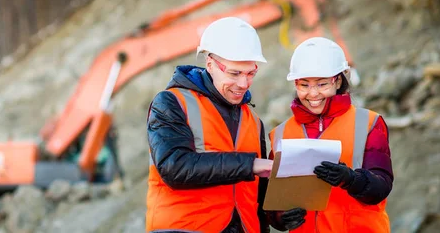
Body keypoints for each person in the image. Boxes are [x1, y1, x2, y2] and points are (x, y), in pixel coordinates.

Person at [145, 17, 274, 233]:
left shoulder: (253, 121)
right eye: (234, 73)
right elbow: (174, 167)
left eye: (251, 73)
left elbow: (257, 198)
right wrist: (249, 164)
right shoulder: (171, 102)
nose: (243, 84)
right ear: (210, 64)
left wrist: (278, 216)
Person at [267, 37, 394, 232]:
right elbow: (271, 199)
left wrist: (351, 179)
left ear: (338, 81)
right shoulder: (280, 134)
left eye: (322, 84)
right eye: (304, 85)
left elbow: (381, 186)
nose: (313, 94)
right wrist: (280, 217)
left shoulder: (368, 123)